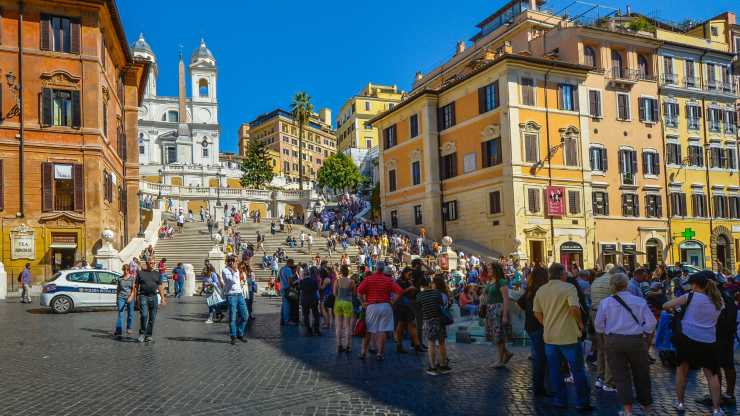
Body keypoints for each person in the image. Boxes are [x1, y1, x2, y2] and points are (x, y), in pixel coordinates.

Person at [594, 273, 657, 416]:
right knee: (642, 374)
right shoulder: (639, 301)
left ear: (612, 286)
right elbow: (652, 322)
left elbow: (598, 325)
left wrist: (605, 336)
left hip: (614, 341)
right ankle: (647, 408)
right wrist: (644, 334)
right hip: (636, 340)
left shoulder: (606, 302)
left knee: (621, 376)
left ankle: (628, 410)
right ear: (626, 285)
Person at [663, 271, 725, 415]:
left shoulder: (689, 296)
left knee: (681, 371)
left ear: (695, 285)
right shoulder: (718, 300)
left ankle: (680, 403)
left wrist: (677, 309)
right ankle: (717, 408)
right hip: (708, 340)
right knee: (712, 375)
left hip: (687, 339)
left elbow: (666, 305)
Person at [533, 263, 592, 411]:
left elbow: (537, 312)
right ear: (562, 274)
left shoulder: (541, 290)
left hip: (550, 337)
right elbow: (573, 307)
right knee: (577, 370)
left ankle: (560, 400)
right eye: (565, 273)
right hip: (568, 336)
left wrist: (546, 324)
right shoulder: (568, 288)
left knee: (554, 370)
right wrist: (580, 323)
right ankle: (582, 401)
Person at [357, 262, 403, 360]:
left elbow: (359, 291)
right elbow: (400, 291)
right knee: (382, 331)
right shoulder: (389, 280)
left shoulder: (368, 279)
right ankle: (380, 353)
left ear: (375, 269)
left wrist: (362, 302)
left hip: (371, 306)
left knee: (368, 330)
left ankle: (363, 352)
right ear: (383, 270)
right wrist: (393, 302)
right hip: (385, 306)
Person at [516, 266, 548, 396]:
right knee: (541, 358)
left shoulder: (530, 290)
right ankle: (540, 387)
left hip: (530, 326)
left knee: (537, 356)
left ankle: (538, 385)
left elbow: (519, 303)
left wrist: (528, 312)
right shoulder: (543, 290)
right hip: (540, 326)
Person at [418, 275, 451, 375]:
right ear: (429, 284)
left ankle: (432, 367)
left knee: (431, 343)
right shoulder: (437, 293)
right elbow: (441, 305)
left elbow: (419, 307)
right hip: (439, 320)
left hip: (428, 320)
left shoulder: (420, 295)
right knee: (442, 343)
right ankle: (443, 365)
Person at [483, 262, 513, 368]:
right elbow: (485, 295)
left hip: (498, 310)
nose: (488, 270)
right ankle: (506, 354)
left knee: (498, 336)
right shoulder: (490, 281)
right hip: (491, 310)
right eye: (488, 269)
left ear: (496, 269)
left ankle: (500, 360)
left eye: (490, 269)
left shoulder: (501, 281)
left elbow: (506, 299)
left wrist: (504, 315)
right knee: (496, 336)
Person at [134, 258, 167, 343]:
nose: (152, 264)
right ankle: (142, 333)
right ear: (147, 263)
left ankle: (148, 335)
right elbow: (136, 286)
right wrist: (135, 297)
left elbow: (160, 286)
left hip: (154, 296)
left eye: (153, 263)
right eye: (150, 263)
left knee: (152, 317)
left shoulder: (157, 274)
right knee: (144, 315)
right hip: (143, 296)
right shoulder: (140, 273)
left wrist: (163, 298)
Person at [394, 267, 422, 353]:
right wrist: (408, 289)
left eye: (411, 274)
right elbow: (398, 292)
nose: (410, 276)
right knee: (401, 324)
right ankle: (399, 345)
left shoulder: (409, 281)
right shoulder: (398, 281)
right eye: (409, 274)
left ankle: (417, 344)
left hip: (408, 305)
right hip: (401, 305)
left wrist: (411, 285)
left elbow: (413, 293)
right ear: (404, 273)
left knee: (412, 324)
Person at [223, 256, 248, 345]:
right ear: (230, 262)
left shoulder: (237, 270)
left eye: (237, 261)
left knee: (245, 316)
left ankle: (239, 333)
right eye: (235, 261)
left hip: (239, 295)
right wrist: (234, 270)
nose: (237, 263)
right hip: (231, 296)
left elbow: (239, 281)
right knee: (232, 317)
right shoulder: (225, 270)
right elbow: (232, 281)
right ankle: (233, 336)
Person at [333, 265, 355, 352]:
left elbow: (334, 293)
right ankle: (348, 346)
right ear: (348, 272)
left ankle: (339, 345)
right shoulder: (351, 281)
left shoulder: (337, 281)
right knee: (347, 325)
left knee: (338, 325)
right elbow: (354, 293)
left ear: (341, 272)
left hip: (338, 302)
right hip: (348, 302)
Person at [114, 264, 136, 339]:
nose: (126, 271)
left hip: (130, 297)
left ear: (129, 270)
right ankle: (119, 330)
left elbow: (133, 290)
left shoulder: (132, 278)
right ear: (123, 270)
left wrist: (131, 297)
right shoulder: (120, 278)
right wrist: (117, 298)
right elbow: (118, 289)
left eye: (127, 270)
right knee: (120, 313)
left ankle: (129, 327)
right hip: (121, 297)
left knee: (130, 314)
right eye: (124, 270)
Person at [300, 266, 322, 336]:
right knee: (316, 315)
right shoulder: (314, 281)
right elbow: (317, 289)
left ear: (304, 274)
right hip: (313, 299)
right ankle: (316, 330)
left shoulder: (302, 281)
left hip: (305, 300)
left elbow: (300, 289)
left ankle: (308, 330)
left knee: (306, 315)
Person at [279, 259, 297, 325]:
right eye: (292, 264)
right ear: (289, 263)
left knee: (283, 305)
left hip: (282, 287)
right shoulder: (288, 270)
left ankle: (282, 319)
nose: (292, 266)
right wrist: (295, 282)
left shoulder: (282, 269)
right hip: (287, 288)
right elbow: (290, 281)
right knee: (287, 305)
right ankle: (287, 321)